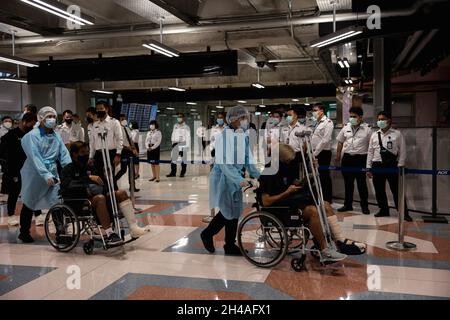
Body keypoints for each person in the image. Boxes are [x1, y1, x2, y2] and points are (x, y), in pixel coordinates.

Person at [259, 144, 364, 260]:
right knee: (312, 211)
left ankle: (339, 241)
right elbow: (266, 202)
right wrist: (287, 192)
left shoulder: (282, 170)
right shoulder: (267, 174)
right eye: (287, 161)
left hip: (291, 204)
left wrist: (306, 179)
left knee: (326, 205)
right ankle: (325, 249)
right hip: (279, 210)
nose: (289, 163)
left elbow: (290, 183)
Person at [201, 106, 261, 255]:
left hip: (236, 178)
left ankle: (229, 245)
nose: (245, 121)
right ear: (233, 119)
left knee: (234, 212)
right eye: (242, 118)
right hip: (224, 178)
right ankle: (208, 234)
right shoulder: (223, 137)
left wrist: (258, 175)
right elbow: (225, 163)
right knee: (227, 211)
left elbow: (248, 158)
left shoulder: (243, 136)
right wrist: (239, 179)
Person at [61, 141, 148, 240]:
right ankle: (110, 233)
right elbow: (67, 187)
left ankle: (133, 228)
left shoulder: (90, 167)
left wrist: (105, 180)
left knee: (121, 193)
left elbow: (102, 184)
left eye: (87, 152)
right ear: (74, 154)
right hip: (79, 201)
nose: (85, 155)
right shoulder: (67, 170)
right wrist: (88, 179)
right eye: (83, 152)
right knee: (100, 198)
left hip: (96, 196)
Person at [18, 107, 72, 243]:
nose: (52, 119)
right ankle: (24, 232)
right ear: (41, 118)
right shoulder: (32, 136)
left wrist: (69, 169)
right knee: (29, 202)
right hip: (34, 173)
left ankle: (61, 233)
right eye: (49, 116)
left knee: (57, 202)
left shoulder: (56, 135)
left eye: (54, 116)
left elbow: (63, 154)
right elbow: (35, 157)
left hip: (52, 172)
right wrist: (45, 174)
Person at [366, 111, 412, 221]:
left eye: (382, 119)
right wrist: (368, 167)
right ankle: (383, 210)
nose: (380, 121)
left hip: (392, 165)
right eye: (379, 119)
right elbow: (370, 152)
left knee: (396, 191)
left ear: (389, 120)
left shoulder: (397, 134)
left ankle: (403, 212)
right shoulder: (374, 134)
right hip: (377, 165)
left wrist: (400, 165)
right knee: (379, 190)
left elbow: (403, 151)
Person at [0, 113, 38, 226]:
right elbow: (3, 155)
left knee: (33, 192)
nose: (31, 127)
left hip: (30, 169)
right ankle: (11, 215)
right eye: (30, 125)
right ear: (25, 122)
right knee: (14, 193)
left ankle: (38, 214)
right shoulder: (10, 136)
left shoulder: (31, 135)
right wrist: (9, 171)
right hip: (15, 170)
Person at [335, 107, 372, 214]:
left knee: (361, 184)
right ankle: (347, 205)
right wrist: (338, 155)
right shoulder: (346, 127)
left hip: (361, 158)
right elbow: (340, 141)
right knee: (348, 183)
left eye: (354, 117)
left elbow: (371, 146)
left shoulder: (367, 129)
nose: (352, 118)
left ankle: (364, 206)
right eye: (350, 116)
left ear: (360, 117)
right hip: (347, 158)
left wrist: (370, 161)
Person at [88, 101, 123, 191]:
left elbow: (120, 139)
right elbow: (92, 142)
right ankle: (103, 197)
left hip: (110, 153)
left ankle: (115, 198)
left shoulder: (114, 122)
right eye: (97, 109)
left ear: (106, 109)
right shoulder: (95, 125)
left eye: (101, 108)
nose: (99, 111)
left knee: (110, 178)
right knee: (99, 178)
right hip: (98, 154)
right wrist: (91, 156)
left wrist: (118, 154)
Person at [311, 103, 334, 203]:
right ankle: (320, 197)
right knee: (318, 176)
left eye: (315, 110)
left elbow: (325, 140)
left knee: (324, 176)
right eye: (313, 110)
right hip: (315, 152)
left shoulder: (328, 122)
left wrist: (315, 153)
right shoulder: (316, 122)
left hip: (323, 153)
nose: (314, 112)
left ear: (321, 111)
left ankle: (327, 199)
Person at [281, 107, 309, 179]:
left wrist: (303, 156)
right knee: (285, 175)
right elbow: (281, 142)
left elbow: (305, 144)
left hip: (297, 155)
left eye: (290, 115)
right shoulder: (284, 128)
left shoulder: (302, 128)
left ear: (295, 116)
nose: (288, 117)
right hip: (285, 155)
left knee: (296, 176)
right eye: (287, 116)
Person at [114, 114, 139, 192]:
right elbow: (118, 142)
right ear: (119, 120)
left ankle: (132, 186)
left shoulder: (127, 128)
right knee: (123, 170)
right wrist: (128, 148)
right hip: (123, 151)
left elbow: (131, 140)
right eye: (122, 119)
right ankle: (114, 181)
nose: (124, 120)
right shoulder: (118, 129)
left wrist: (135, 149)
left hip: (130, 151)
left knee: (131, 169)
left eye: (125, 119)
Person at [167, 113, 190, 178]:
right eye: (178, 117)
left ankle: (182, 172)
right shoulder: (175, 126)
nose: (179, 118)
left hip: (183, 144)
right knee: (173, 159)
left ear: (183, 118)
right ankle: (173, 172)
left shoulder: (186, 127)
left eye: (180, 117)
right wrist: (173, 143)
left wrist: (187, 146)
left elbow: (188, 137)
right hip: (175, 143)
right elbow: (173, 134)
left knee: (183, 159)